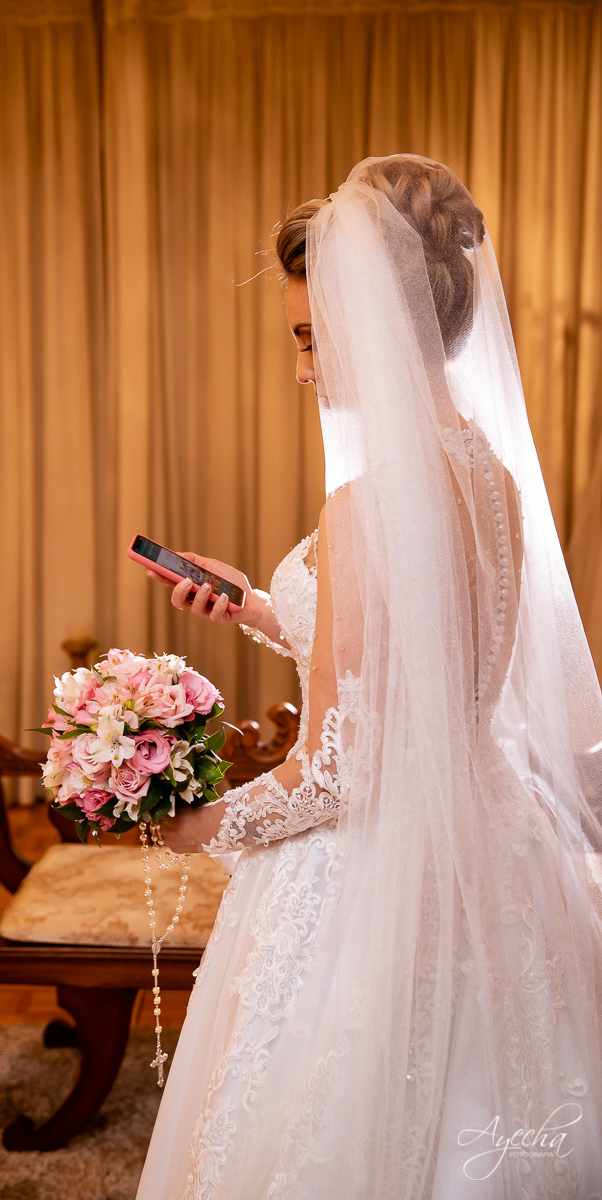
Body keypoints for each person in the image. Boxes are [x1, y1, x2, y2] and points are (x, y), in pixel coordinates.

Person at [134, 153, 602, 1198]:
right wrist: (258, 605)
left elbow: (338, 771)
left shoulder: (366, 506)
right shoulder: (485, 472)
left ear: (373, 321)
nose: (302, 368)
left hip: (371, 872)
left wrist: (202, 826)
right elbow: (416, 663)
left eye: (310, 337)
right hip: (486, 833)